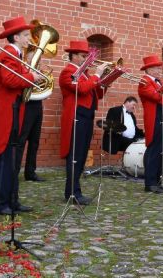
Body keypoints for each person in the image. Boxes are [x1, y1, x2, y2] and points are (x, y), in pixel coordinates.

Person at [0, 16, 44, 215]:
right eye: (26, 35)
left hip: (13, 110)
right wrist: (31, 77)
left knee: (12, 158)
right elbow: (9, 79)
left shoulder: (16, 54)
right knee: (6, 158)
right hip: (6, 111)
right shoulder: (9, 53)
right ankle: (1, 203)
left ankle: (12, 199)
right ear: (16, 37)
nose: (30, 39)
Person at [59, 40, 108, 205]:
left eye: (86, 56)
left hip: (87, 116)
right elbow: (82, 89)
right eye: (82, 56)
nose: (85, 59)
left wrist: (105, 80)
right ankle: (73, 193)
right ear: (73, 55)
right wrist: (96, 75)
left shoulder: (85, 73)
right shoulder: (68, 72)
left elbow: (97, 94)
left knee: (81, 155)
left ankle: (73, 191)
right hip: (76, 116)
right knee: (75, 155)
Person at [138, 55, 163, 193]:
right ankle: (150, 183)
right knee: (154, 150)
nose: (158, 70)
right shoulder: (144, 82)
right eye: (155, 67)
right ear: (148, 69)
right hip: (155, 118)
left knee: (161, 150)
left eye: (158, 67)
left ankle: (157, 180)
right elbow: (157, 97)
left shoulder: (159, 81)